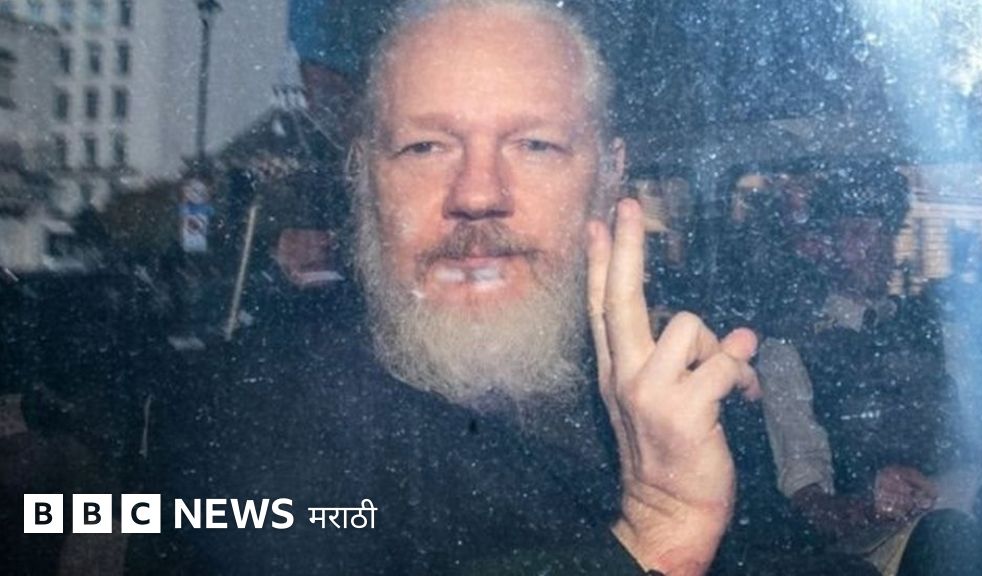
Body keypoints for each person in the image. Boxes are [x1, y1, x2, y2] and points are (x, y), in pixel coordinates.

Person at [132, 1, 759, 574]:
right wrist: (660, 531)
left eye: (535, 145)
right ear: (363, 175)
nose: (478, 193)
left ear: (610, 171)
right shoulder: (248, 424)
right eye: (425, 147)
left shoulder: (679, 401)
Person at [756, 166, 982, 576]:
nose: (878, 247)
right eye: (859, 233)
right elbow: (808, 499)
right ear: (826, 245)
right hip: (879, 551)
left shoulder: (942, 332)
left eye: (885, 233)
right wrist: (870, 506)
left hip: (973, 512)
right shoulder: (788, 351)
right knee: (944, 538)